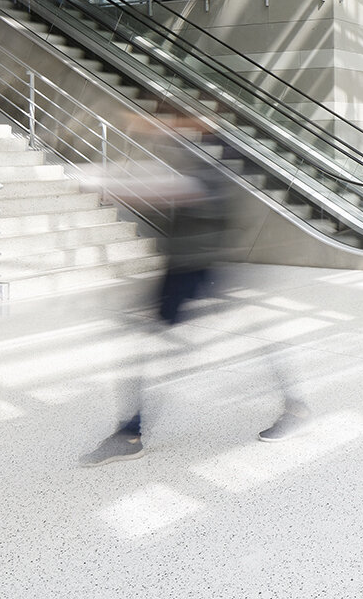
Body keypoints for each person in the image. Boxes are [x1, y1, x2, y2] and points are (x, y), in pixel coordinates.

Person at [81, 115, 302, 465]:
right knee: (160, 341)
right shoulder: (197, 149)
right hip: (183, 263)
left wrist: (117, 187)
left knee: (228, 339)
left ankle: (132, 432)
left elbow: (189, 190)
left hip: (204, 265)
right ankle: (131, 431)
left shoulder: (224, 155)